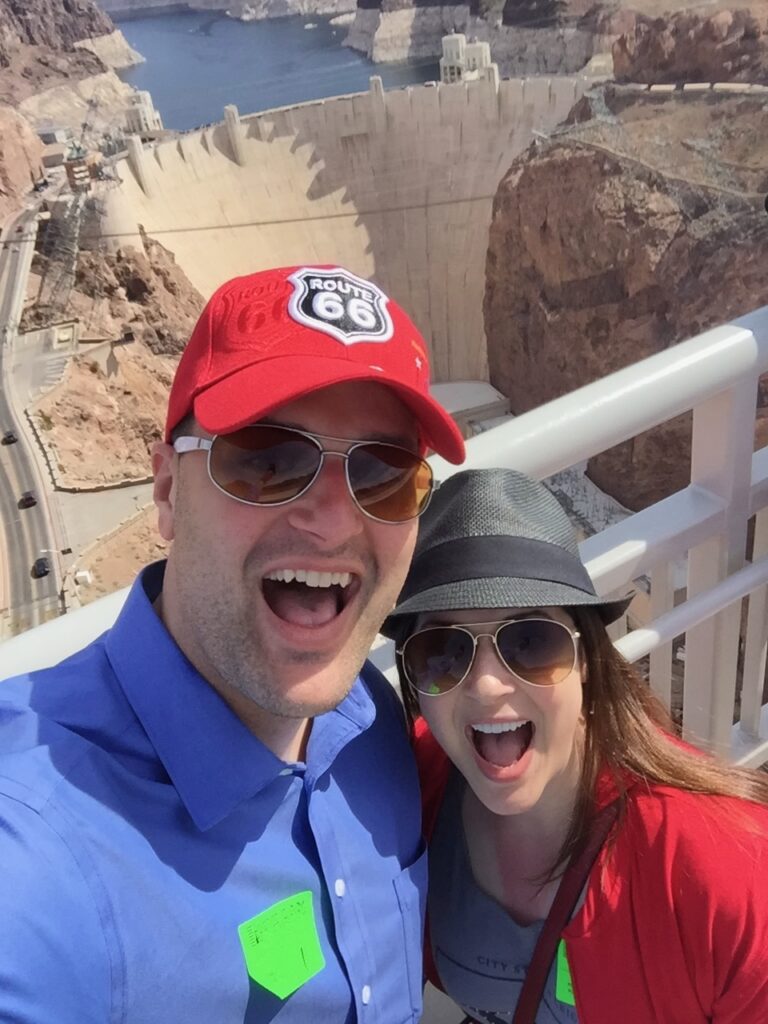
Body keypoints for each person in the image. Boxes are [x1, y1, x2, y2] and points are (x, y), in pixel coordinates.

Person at [0, 265, 465, 1023]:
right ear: (167, 491)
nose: (336, 521)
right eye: (267, 460)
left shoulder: (371, 720)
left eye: (385, 474)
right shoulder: (41, 846)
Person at [382, 468, 768, 1024]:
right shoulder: (408, 796)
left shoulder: (727, 871)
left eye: (531, 641)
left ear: (586, 659)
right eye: (443, 650)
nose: (487, 685)